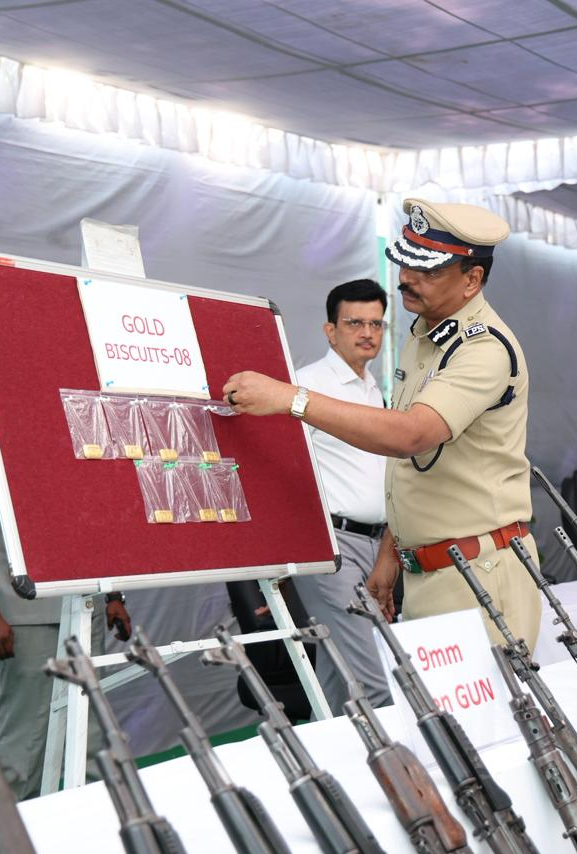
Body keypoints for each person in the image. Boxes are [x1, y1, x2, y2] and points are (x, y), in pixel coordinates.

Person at [223, 199, 540, 649]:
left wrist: (291, 398)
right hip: (428, 570)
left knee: (494, 713)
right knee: (434, 715)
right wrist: (392, 553)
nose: (407, 279)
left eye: (428, 271)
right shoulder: (424, 334)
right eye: (407, 263)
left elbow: (411, 436)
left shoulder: (482, 348)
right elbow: (416, 471)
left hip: (480, 574)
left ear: (472, 280)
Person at [0, 440, 132, 799]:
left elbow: (93, 524)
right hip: (26, 616)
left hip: (84, 608)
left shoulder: (73, 442)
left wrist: (113, 595)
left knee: (90, 729)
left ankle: (103, 821)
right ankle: (14, 832)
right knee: (27, 738)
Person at [293, 278, 393, 711]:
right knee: (380, 681)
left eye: (376, 323)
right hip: (332, 546)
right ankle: (408, 771)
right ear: (330, 330)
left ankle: (331, 763)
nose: (367, 332)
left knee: (338, 672)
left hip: (380, 544)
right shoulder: (304, 386)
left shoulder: (376, 388)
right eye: (354, 322)